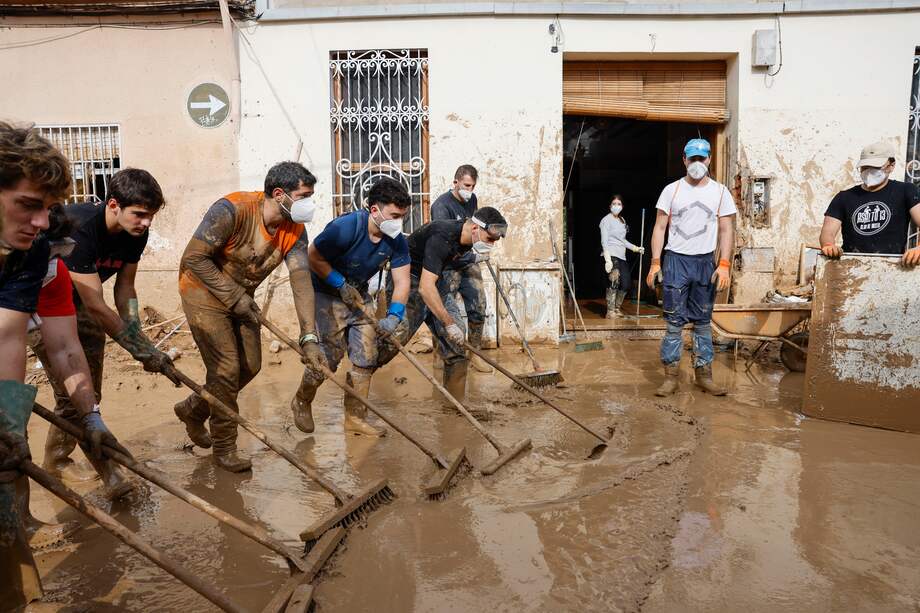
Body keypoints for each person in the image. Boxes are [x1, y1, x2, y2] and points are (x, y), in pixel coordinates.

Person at [175, 161, 326, 472]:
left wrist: (309, 337)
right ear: (280, 194)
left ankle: (194, 409)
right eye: (304, 196)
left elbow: (301, 281)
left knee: (251, 366)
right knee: (226, 369)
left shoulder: (295, 230)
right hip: (202, 292)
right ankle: (224, 447)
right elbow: (194, 258)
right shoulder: (232, 210)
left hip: (242, 299)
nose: (309, 204)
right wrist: (233, 297)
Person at [43, 168, 178, 498]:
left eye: (151, 215)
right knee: (73, 393)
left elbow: (125, 287)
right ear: (114, 204)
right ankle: (109, 474)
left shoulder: (136, 234)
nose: (146, 222)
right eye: (140, 214)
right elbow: (96, 304)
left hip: (79, 303)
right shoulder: (80, 228)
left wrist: (135, 332)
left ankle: (56, 459)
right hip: (40, 303)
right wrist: (138, 349)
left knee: (90, 393)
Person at [0, 121, 72, 608]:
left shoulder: (29, 252)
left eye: (47, 208)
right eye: (28, 205)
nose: (42, 222)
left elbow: (7, 334)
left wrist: (8, 425)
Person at [294, 177, 411, 437]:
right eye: (394, 216)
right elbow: (313, 256)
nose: (398, 222)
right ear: (374, 210)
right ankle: (302, 399)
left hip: (358, 294)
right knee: (328, 358)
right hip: (325, 292)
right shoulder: (347, 227)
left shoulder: (396, 240)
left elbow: (402, 281)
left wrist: (394, 316)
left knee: (367, 357)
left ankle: (355, 418)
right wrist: (339, 283)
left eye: (403, 216)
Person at [375, 207, 508, 404]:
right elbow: (425, 289)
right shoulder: (442, 236)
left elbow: (442, 270)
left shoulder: (467, 240)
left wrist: (473, 258)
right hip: (407, 279)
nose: (491, 244)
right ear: (475, 229)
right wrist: (448, 323)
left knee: (457, 345)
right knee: (393, 340)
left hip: (435, 280)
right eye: (490, 239)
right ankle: (359, 380)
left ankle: (455, 406)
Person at [646, 138, 736, 397]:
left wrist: (724, 264)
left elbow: (726, 229)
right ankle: (671, 378)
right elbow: (659, 227)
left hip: (705, 262)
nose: (697, 163)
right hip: (676, 261)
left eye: (702, 158)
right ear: (684, 160)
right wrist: (655, 263)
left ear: (709, 159)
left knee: (703, 323)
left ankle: (704, 377)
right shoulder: (671, 190)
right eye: (692, 158)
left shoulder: (720, 192)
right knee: (673, 323)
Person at [430, 165, 493, 373]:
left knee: (479, 306)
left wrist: (481, 246)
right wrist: (473, 256)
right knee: (445, 309)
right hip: (448, 264)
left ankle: (475, 354)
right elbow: (443, 242)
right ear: (455, 182)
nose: (470, 190)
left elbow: (475, 228)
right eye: (466, 185)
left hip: (467, 261)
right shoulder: (441, 206)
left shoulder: (472, 200)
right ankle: (440, 352)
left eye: (473, 186)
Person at [819, 141, 920, 266]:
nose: (869, 171)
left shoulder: (906, 191)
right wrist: (829, 245)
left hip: (892, 267)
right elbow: (827, 233)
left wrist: (919, 248)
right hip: (850, 267)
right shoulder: (844, 197)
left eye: (876, 167)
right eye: (865, 167)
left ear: (891, 166)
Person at [599, 194, 644, 317]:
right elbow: (604, 240)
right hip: (611, 254)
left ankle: (617, 308)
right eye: (614, 204)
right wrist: (607, 259)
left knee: (626, 284)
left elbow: (623, 240)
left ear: (622, 206)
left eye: (619, 204)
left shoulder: (622, 220)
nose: (616, 206)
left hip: (621, 256)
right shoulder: (606, 220)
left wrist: (635, 248)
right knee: (614, 280)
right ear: (610, 206)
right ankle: (610, 311)